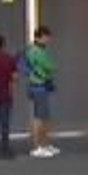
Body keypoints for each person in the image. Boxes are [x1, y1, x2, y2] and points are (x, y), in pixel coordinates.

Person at [24, 26, 58, 158]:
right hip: (38, 86)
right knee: (39, 117)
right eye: (45, 37)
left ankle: (44, 144)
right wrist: (50, 68)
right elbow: (49, 66)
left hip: (40, 86)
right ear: (38, 37)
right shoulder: (36, 51)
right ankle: (37, 146)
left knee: (44, 117)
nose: (47, 39)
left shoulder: (37, 50)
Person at [0, 34, 18, 159]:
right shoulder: (9, 58)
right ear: (3, 44)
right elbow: (14, 78)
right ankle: (5, 149)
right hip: (4, 95)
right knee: (4, 123)